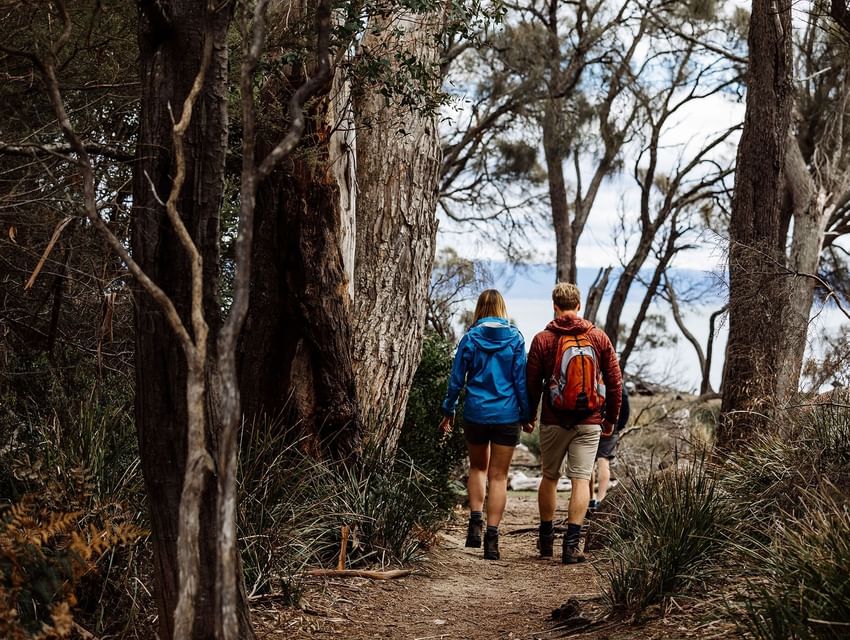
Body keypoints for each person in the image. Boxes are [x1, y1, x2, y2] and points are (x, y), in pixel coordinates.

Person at [526, 283, 622, 564]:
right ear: (579, 305)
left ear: (554, 306)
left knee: (550, 477)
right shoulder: (598, 337)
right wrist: (611, 419)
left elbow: (532, 383)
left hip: (554, 419)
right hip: (589, 421)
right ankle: (571, 546)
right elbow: (615, 383)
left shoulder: (543, 339)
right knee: (582, 479)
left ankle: (546, 542)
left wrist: (528, 415)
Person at [439, 289, 532, 561]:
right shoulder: (515, 339)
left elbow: (456, 379)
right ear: (502, 309)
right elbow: (520, 382)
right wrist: (526, 415)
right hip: (506, 416)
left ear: (480, 309)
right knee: (499, 477)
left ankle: (474, 525)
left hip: (476, 413)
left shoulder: (470, 338)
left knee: (478, 468)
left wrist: (449, 409)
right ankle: (492, 539)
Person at [588, 385, 630, 514]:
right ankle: (600, 499)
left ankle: (589, 498)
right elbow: (625, 407)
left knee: (587, 463)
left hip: (590, 423)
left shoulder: (592, 374)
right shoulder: (616, 380)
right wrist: (618, 425)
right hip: (611, 426)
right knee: (603, 461)